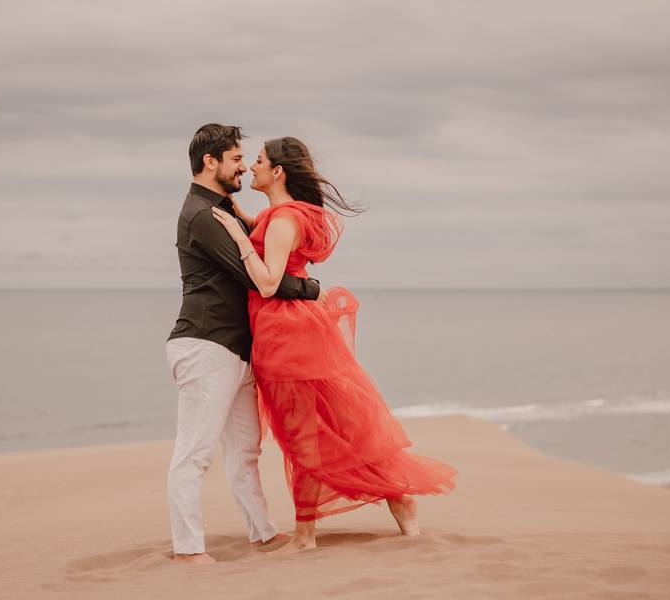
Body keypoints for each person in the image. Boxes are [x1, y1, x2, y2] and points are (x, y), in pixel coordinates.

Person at [211, 136, 457, 553]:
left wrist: (235, 237)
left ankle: (306, 534)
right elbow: (277, 244)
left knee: (304, 434)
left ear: (278, 172)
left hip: (284, 335)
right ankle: (400, 500)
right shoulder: (285, 215)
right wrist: (243, 217)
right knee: (337, 426)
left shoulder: (283, 219)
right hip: (301, 331)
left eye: (258, 161)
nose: (251, 167)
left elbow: (269, 282)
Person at [165, 124, 327, 564]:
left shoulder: (221, 207)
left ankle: (262, 533)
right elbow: (255, 276)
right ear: (210, 162)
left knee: (246, 451)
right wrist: (311, 290)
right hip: (205, 345)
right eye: (236, 159)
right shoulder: (203, 215)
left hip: (236, 348)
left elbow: (260, 245)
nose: (243, 166)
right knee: (194, 452)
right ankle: (187, 550)